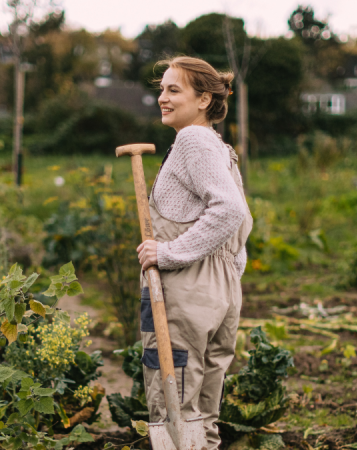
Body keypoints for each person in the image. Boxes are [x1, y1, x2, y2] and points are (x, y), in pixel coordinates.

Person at [136, 56, 253, 449]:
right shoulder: (218, 147)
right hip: (218, 290)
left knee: (174, 403)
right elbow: (242, 223)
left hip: (186, 289)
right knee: (202, 411)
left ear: (204, 99)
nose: (162, 99)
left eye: (174, 90)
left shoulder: (192, 140)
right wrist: (226, 278)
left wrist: (168, 254)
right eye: (162, 90)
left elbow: (229, 210)